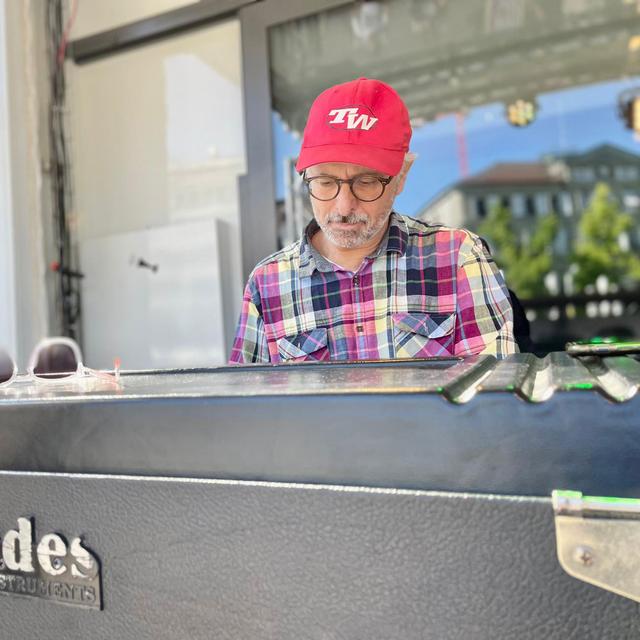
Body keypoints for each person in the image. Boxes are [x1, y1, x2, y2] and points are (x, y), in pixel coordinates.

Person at [230, 77, 517, 363]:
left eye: (366, 182)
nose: (343, 206)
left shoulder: (457, 258)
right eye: (325, 182)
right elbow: (249, 407)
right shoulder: (267, 284)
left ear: (401, 176)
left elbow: (492, 400)